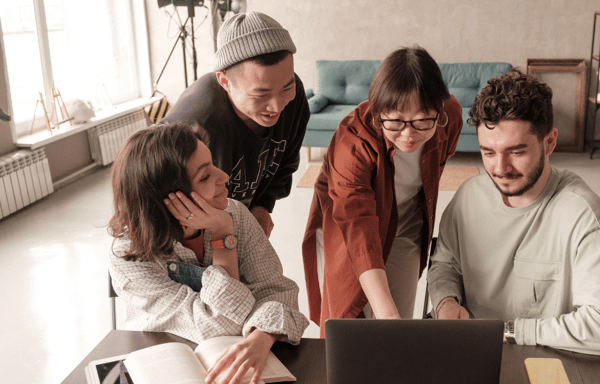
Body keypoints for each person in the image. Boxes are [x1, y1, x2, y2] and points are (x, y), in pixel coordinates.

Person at [427, 69, 600, 356]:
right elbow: (445, 265)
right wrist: (445, 302)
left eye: (517, 151)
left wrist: (510, 331)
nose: (500, 169)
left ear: (549, 142)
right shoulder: (468, 197)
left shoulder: (582, 214)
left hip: (541, 356)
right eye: (488, 152)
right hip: (469, 354)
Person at [108, 123, 309, 384]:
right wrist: (221, 234)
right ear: (167, 199)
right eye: (204, 177)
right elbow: (219, 325)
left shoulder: (236, 213)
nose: (224, 176)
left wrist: (261, 339)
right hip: (165, 367)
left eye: (213, 164)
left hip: (234, 362)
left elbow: (280, 294)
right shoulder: (129, 254)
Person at [301, 46, 463, 335]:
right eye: (396, 121)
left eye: (423, 120)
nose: (409, 134)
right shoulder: (352, 141)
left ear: (439, 109)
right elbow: (357, 223)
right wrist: (386, 313)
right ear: (378, 111)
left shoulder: (450, 115)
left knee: (397, 315)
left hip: (407, 220)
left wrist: (391, 316)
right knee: (348, 318)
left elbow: (436, 163)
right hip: (346, 229)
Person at [161, 11, 310, 237]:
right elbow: (140, 173)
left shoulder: (295, 97)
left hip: (239, 222)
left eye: (286, 89)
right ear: (225, 82)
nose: (277, 106)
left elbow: (286, 163)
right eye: (261, 94)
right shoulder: (196, 119)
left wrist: (263, 207)